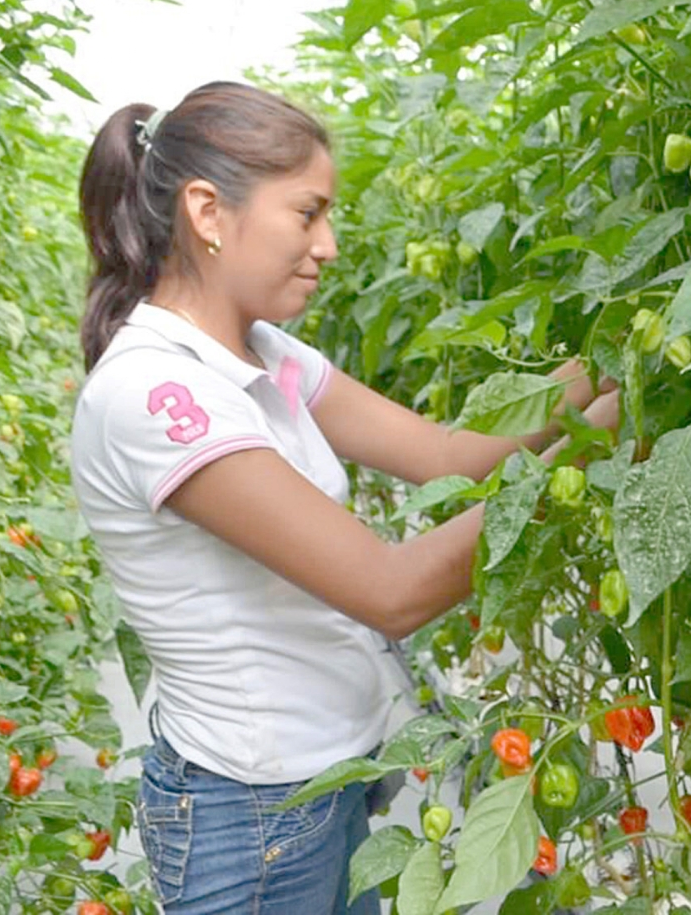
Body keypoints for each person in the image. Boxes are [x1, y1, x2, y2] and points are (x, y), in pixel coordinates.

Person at [68, 81, 619, 914]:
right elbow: (389, 590)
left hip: (327, 789)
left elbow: (447, 452)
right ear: (208, 212)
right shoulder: (156, 394)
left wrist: (620, 354)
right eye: (307, 213)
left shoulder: (264, 352)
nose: (327, 245)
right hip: (247, 817)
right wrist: (607, 450)